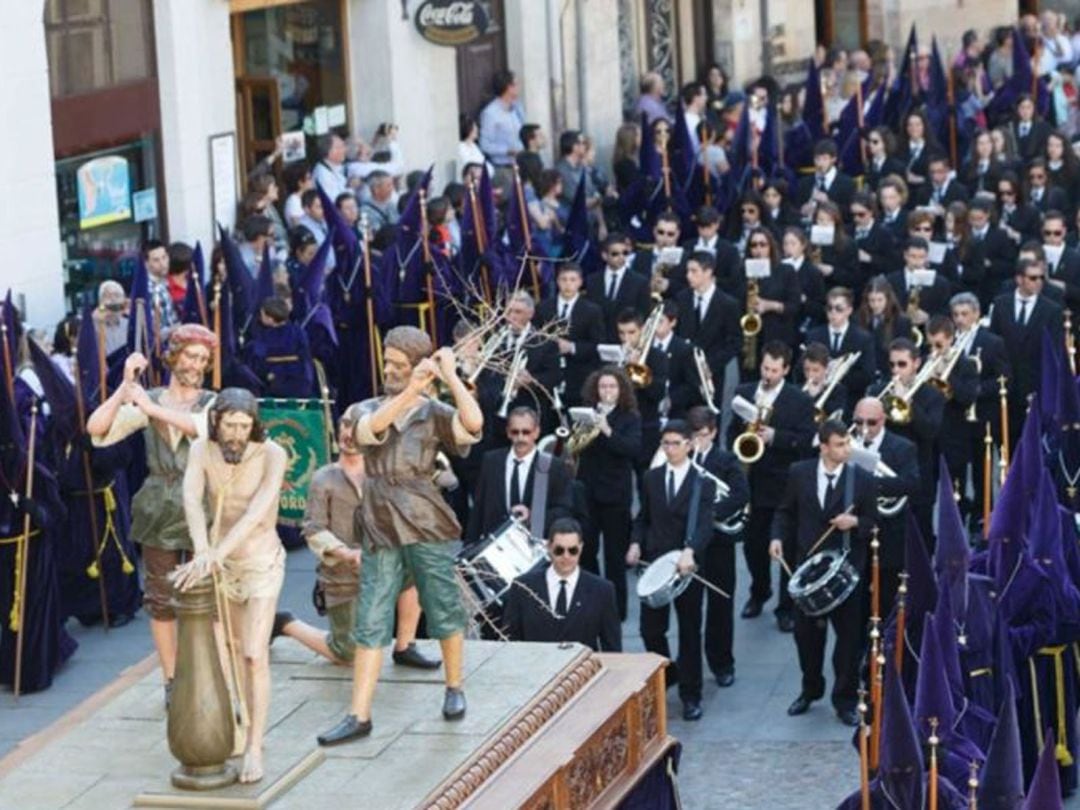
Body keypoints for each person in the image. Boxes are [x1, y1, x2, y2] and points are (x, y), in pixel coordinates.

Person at [317, 326, 481, 746]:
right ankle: (359, 713)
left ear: (416, 367)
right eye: (387, 362)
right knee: (371, 614)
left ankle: (455, 686)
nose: (388, 369)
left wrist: (450, 378)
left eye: (398, 365)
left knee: (441, 602)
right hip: (379, 518)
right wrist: (412, 390)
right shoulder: (364, 408)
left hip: (423, 515)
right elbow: (370, 431)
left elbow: (473, 425)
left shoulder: (435, 412)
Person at [87, 324, 218, 706]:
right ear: (174, 355)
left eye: (203, 359)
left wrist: (149, 407)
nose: (196, 365)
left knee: (206, 596)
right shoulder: (152, 398)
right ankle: (171, 678)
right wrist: (124, 387)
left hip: (202, 507)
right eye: (191, 356)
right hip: (158, 507)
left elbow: (201, 429)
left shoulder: (211, 400)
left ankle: (210, 672)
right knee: (160, 598)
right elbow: (96, 429)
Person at [170, 389, 286, 784]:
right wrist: (203, 551)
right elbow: (190, 497)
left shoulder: (272, 454)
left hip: (259, 562)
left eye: (244, 425)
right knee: (232, 652)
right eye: (230, 425)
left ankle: (255, 746)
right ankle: (242, 728)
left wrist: (214, 555)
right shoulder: (202, 449)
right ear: (216, 421)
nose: (237, 434)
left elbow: (257, 512)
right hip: (221, 561)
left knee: (254, 653)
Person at [273, 405, 438, 670]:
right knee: (346, 655)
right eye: (344, 427)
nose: (349, 434)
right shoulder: (323, 478)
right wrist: (345, 553)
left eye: (355, 427)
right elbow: (313, 530)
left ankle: (405, 646)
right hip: (344, 575)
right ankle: (286, 623)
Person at [770, 419, 877, 727]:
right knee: (806, 638)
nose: (846, 449)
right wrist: (777, 538)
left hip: (845, 572)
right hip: (808, 571)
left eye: (847, 443)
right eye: (840, 445)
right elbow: (785, 511)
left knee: (847, 641)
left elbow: (875, 522)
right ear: (824, 447)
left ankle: (843, 698)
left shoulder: (863, 480)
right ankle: (810, 689)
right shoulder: (799, 473)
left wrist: (855, 524)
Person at [627, 419, 716, 721]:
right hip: (655, 563)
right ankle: (669, 674)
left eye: (675, 443)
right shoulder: (651, 478)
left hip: (686, 566)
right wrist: (636, 543)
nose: (669, 449)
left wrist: (691, 550)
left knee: (690, 631)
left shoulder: (703, 482)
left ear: (689, 445)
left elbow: (705, 523)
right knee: (650, 629)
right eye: (665, 443)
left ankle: (691, 695)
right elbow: (644, 518)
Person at [726, 341, 815, 631]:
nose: (768, 375)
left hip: (782, 482)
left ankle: (786, 607)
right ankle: (758, 590)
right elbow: (730, 434)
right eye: (765, 368)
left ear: (786, 370)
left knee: (787, 547)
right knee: (753, 545)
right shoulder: (744, 392)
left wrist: (775, 436)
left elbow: (805, 440)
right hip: (751, 480)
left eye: (774, 370)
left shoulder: (798, 400)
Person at [687, 406, 749, 687]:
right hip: (690, 544)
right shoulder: (681, 458)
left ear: (712, 432)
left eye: (702, 435)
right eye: (694, 435)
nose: (698, 441)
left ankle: (723, 663)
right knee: (690, 608)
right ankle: (691, 668)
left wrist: (710, 513)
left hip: (719, 542)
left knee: (720, 605)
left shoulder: (725, 460)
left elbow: (740, 494)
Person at [576, 366, 642, 621]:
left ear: (621, 390)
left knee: (615, 558)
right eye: (603, 387)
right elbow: (576, 448)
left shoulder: (630, 417)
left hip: (615, 497)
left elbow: (632, 449)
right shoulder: (587, 414)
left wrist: (607, 429)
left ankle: (618, 610)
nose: (607, 391)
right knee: (588, 552)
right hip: (589, 493)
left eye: (612, 387)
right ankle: (593, 605)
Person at [502, 517, 621, 652]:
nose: (566, 556)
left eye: (572, 550)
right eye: (559, 550)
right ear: (549, 547)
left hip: (582, 671)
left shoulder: (602, 590)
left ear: (581, 548)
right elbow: (510, 643)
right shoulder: (522, 587)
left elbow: (613, 650)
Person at [850, 397, 918, 619]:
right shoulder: (846, 444)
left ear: (884, 420)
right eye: (858, 422)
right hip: (856, 532)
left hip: (889, 532)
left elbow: (911, 484)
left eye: (871, 423)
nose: (864, 429)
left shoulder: (903, 447)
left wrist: (871, 483)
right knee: (856, 599)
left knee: (887, 595)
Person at [465, 406, 573, 543]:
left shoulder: (553, 466)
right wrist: (468, 548)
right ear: (508, 433)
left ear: (536, 432)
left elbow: (563, 509)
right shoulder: (491, 461)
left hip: (535, 545)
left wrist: (532, 516)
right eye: (515, 432)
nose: (520, 437)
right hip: (495, 545)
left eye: (526, 432)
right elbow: (479, 508)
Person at [989, 257, 1064, 444]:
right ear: (1019, 279)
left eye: (1041, 278)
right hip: (1004, 386)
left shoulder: (1051, 310)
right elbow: (994, 343)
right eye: (1033, 278)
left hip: (1033, 388)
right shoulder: (1001, 304)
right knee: (1005, 440)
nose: (1038, 282)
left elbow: (1052, 353)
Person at [537, 262, 604, 409]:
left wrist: (572, 347)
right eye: (564, 279)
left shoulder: (592, 311)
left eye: (573, 280)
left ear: (580, 282)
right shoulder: (543, 307)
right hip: (550, 375)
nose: (568, 284)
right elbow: (536, 338)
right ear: (557, 281)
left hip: (579, 376)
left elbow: (597, 345)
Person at [585, 233, 653, 343]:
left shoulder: (640, 282)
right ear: (604, 255)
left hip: (627, 344)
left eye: (625, 253)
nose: (621, 257)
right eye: (615, 254)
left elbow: (643, 316)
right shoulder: (592, 281)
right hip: (597, 344)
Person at [478, 70, 524, 173]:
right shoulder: (490, 113)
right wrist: (507, 151)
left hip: (521, 164)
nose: (519, 87)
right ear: (508, 87)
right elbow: (484, 144)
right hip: (503, 167)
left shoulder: (518, 107)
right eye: (516, 84)